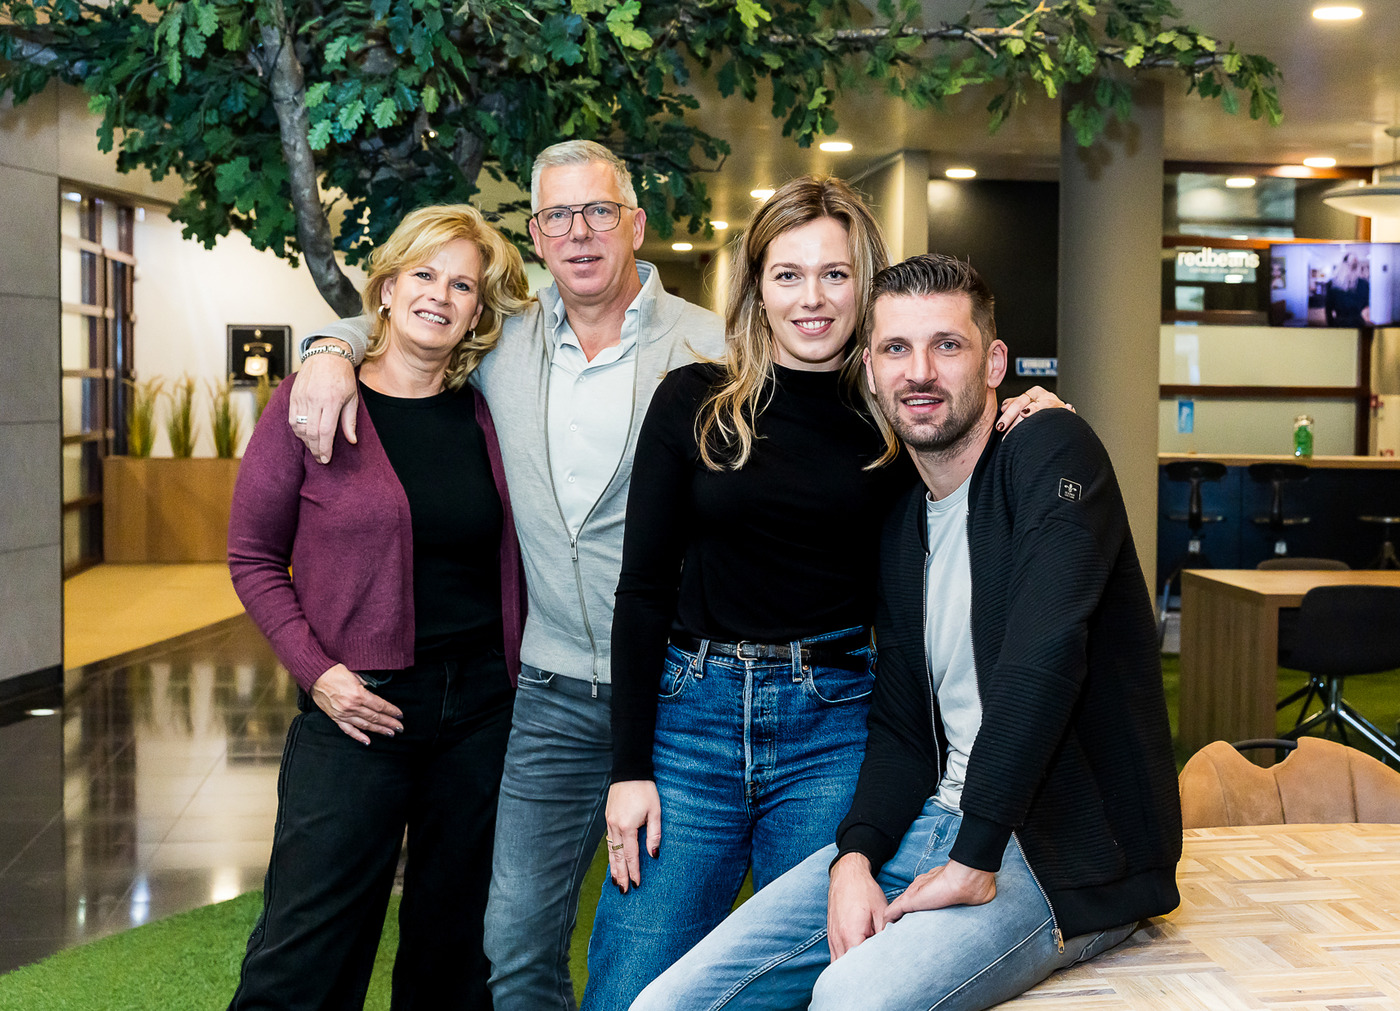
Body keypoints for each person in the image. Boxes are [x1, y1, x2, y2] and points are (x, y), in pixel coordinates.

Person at [631, 253, 1182, 1011]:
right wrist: (856, 855)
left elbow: (1044, 656)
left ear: (994, 363)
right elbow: (901, 725)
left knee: (849, 998)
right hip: (932, 822)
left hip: (1057, 851)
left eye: (947, 345)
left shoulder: (1050, 452)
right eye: (896, 348)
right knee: (667, 1003)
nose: (919, 371)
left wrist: (976, 853)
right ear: (870, 369)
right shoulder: (902, 524)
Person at [586, 178, 1068, 1009]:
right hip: (691, 722)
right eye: (788, 274)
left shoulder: (897, 413)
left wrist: (1035, 411)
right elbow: (642, 589)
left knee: (814, 982)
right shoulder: (693, 401)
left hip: (834, 721)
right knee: (631, 986)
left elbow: (977, 441)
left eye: (835, 274)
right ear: (758, 287)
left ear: (865, 284)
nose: (812, 297)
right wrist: (628, 767)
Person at [285, 140, 727, 1010]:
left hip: (681, 689)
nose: (580, 232)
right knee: (512, 949)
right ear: (536, 234)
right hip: (550, 694)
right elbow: (404, 322)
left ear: (636, 224)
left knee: (655, 956)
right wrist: (327, 347)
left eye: (599, 211)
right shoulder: (502, 340)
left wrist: (995, 404)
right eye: (558, 216)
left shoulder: (711, 342)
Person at [226, 203, 530, 1010]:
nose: (441, 295)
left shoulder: (487, 411)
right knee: (305, 950)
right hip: (356, 707)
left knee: (455, 945)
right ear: (387, 289)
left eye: (462, 285)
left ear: (477, 309)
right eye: (424, 274)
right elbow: (252, 556)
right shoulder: (311, 400)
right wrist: (318, 673)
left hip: (481, 712)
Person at [1325, 250, 1371, 327]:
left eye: (1354, 265)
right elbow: (1328, 308)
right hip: (1340, 323)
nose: (1351, 268)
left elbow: (1365, 303)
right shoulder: (1333, 284)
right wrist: (1331, 325)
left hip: (1357, 323)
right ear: (1344, 265)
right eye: (1350, 264)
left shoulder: (1363, 284)